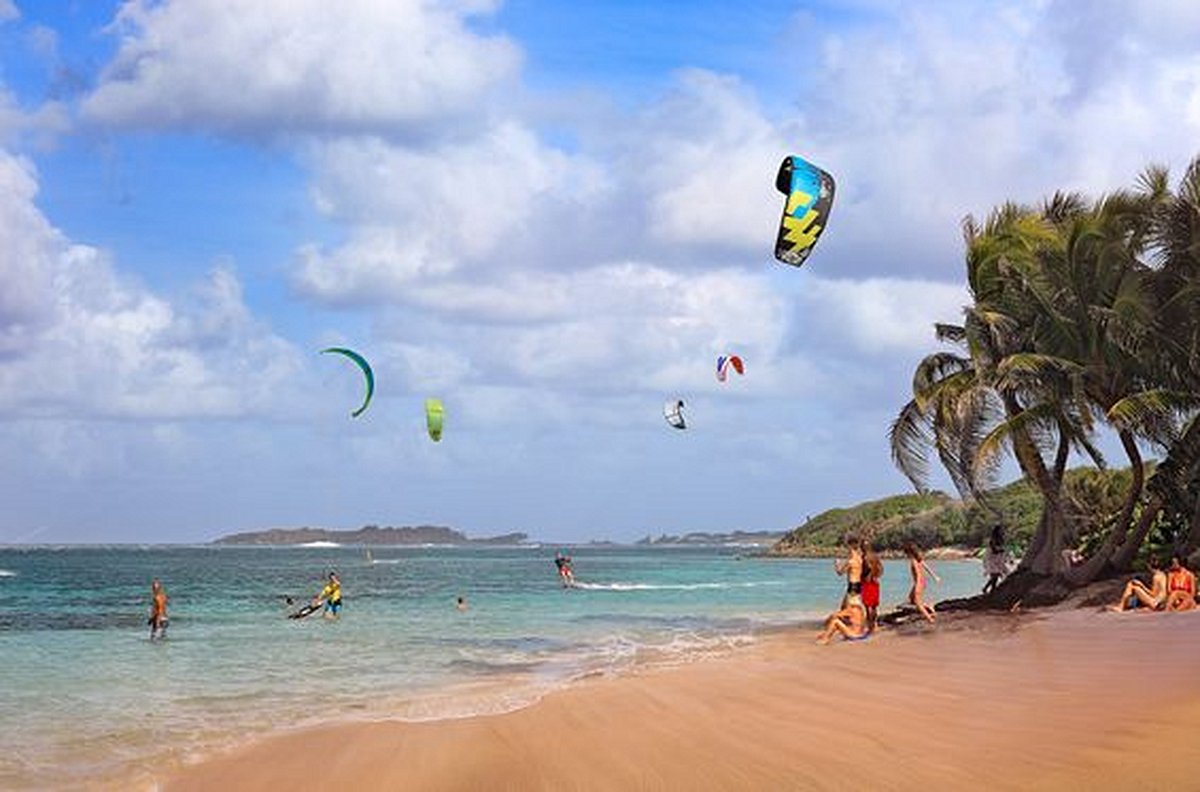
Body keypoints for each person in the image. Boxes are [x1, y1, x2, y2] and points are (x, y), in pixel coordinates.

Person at [903, 542, 941, 622]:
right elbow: (927, 568)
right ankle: (929, 606)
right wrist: (935, 577)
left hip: (919, 583)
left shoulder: (913, 561)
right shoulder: (918, 559)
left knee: (917, 603)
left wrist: (917, 587)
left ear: (909, 552)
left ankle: (929, 618)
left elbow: (918, 575)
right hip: (922, 582)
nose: (906, 555)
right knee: (911, 599)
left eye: (906, 553)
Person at [833, 535, 864, 606]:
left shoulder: (851, 561)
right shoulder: (860, 559)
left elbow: (840, 573)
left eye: (848, 547)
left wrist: (836, 564)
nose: (847, 550)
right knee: (845, 607)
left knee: (847, 609)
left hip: (852, 586)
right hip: (859, 586)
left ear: (850, 547)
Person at [861, 540, 884, 633]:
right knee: (874, 606)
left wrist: (869, 576)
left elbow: (869, 568)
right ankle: (873, 625)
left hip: (867, 583)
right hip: (875, 582)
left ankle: (871, 627)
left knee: (867, 606)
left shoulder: (864, 557)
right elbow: (881, 569)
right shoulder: (875, 556)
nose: (862, 548)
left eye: (863, 546)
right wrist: (876, 576)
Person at [982, 525, 1009, 596]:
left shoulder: (1001, 539)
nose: (1002, 531)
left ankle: (988, 590)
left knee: (995, 577)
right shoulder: (993, 539)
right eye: (1000, 530)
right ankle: (989, 590)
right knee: (995, 576)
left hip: (997, 559)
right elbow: (994, 550)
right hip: (991, 559)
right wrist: (1001, 550)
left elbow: (1000, 549)